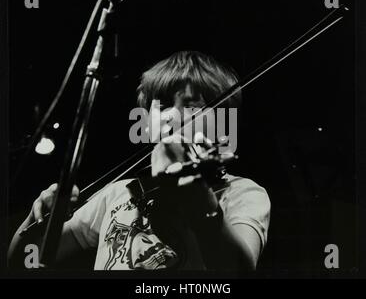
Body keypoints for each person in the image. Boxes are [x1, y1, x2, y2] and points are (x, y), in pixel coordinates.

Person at [8, 51, 270, 271]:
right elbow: (23, 263)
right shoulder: (117, 193)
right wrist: (35, 220)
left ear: (221, 123)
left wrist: (199, 198)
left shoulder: (241, 192)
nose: (174, 115)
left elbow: (238, 270)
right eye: (164, 104)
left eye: (192, 105)